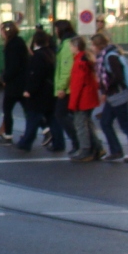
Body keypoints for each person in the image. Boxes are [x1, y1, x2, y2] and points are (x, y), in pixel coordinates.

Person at [92, 32, 128, 163]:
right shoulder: (107, 55)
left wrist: (106, 89)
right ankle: (117, 151)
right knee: (106, 122)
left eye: (93, 45)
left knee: (124, 125)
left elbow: (118, 77)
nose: (92, 48)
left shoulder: (110, 57)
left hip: (118, 95)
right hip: (114, 95)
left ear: (98, 45)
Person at [15, 28, 63, 152]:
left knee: (33, 118)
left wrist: (28, 90)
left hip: (39, 94)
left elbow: (35, 75)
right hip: (51, 92)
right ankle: (59, 143)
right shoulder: (51, 54)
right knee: (52, 118)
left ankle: (25, 142)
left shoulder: (37, 56)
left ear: (35, 42)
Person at [68, 36, 105, 162]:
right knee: (87, 123)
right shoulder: (86, 59)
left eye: (71, 46)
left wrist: (73, 103)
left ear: (76, 47)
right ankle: (97, 147)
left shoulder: (79, 62)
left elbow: (78, 85)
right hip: (89, 97)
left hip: (82, 98)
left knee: (80, 124)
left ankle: (85, 150)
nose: (70, 49)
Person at [0, 21, 28, 144]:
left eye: (1, 30)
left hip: (14, 84)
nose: (1, 33)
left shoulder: (12, 45)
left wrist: (4, 78)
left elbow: (13, 66)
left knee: (7, 110)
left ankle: (8, 135)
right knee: (28, 109)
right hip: (21, 83)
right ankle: (45, 130)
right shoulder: (19, 41)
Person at [52, 20, 79, 156]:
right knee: (74, 117)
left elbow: (66, 68)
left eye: (56, 29)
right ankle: (81, 143)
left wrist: (61, 87)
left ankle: (77, 142)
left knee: (61, 114)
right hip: (69, 87)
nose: (55, 32)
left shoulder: (67, 45)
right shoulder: (67, 43)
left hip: (67, 88)